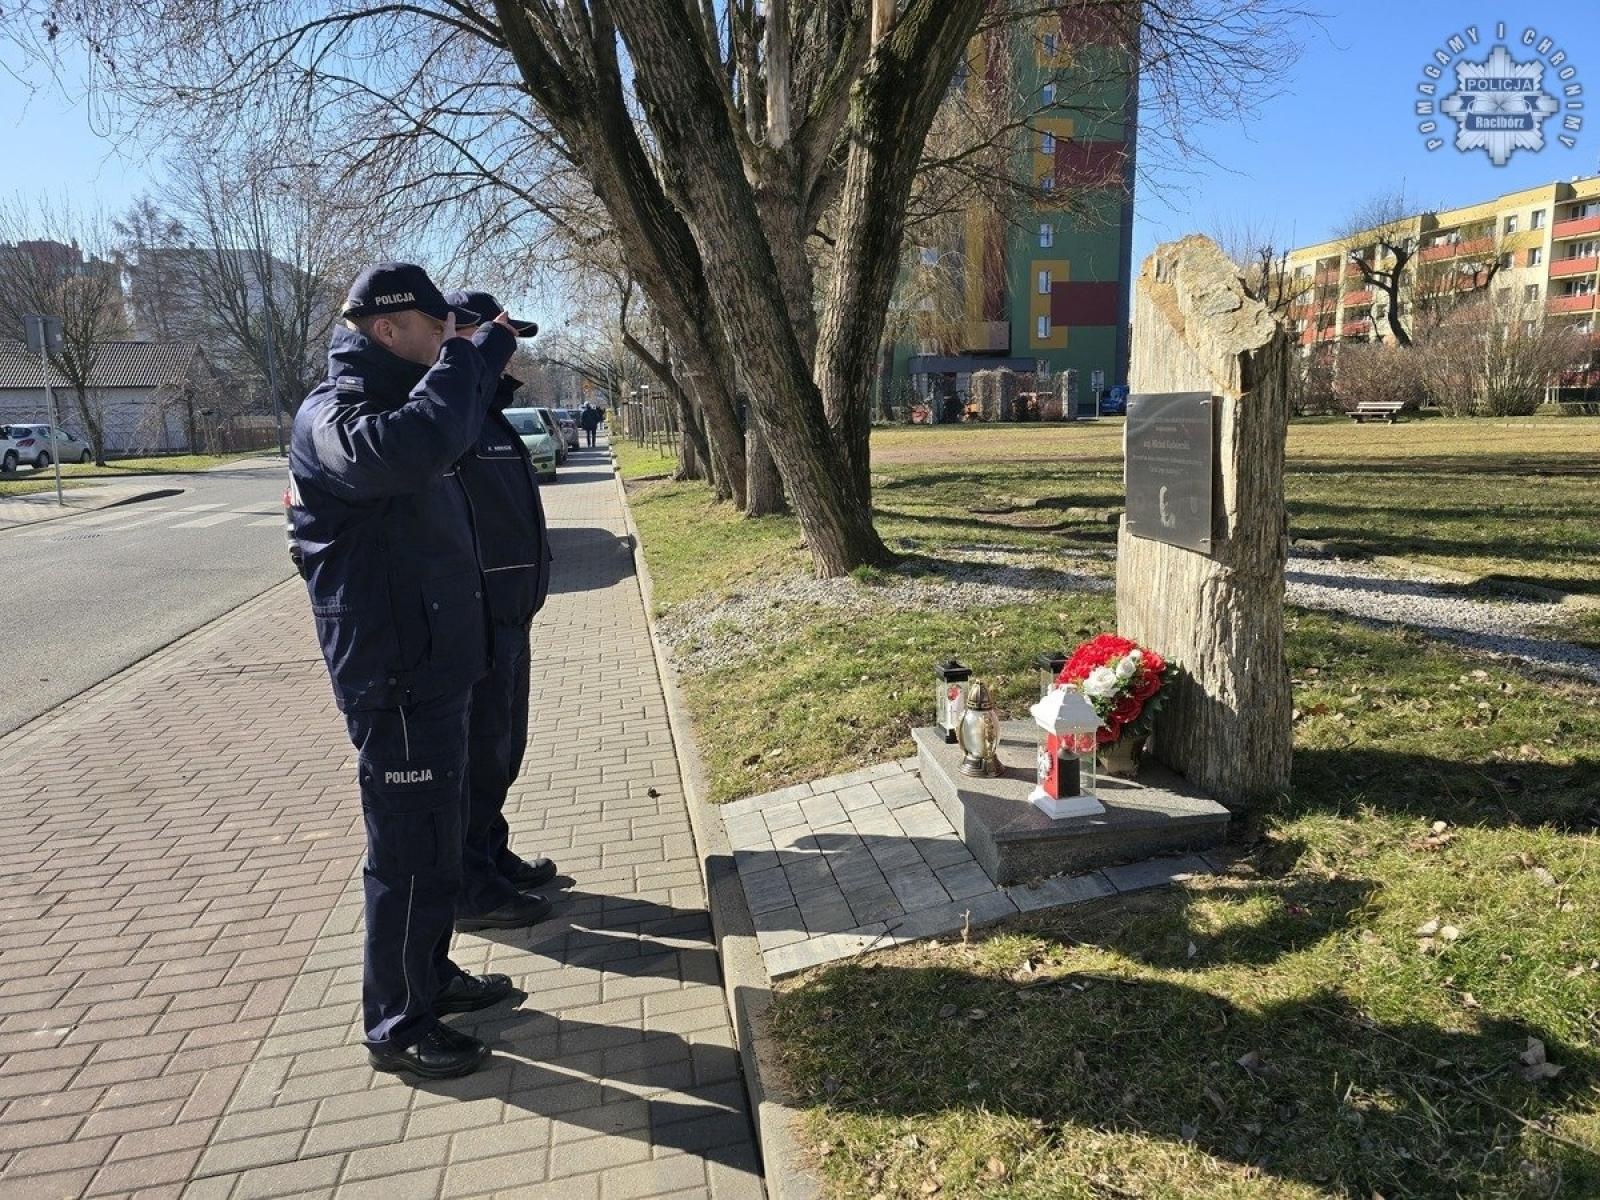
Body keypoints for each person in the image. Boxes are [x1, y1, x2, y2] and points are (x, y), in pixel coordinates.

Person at [286, 263, 519, 1081]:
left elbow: (443, 438)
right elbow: (407, 450)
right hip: (395, 675)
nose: (450, 340)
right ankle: (396, 1023)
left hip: (434, 665)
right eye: (437, 328)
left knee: (438, 845)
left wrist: (470, 359)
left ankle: (432, 977)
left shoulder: (407, 398)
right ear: (390, 330)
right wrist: (465, 360)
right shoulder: (336, 415)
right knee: (409, 854)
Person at [442, 289, 560, 932]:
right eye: (496, 338)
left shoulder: (486, 414)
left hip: (512, 615)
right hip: (478, 621)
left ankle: (489, 853)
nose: (508, 354)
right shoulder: (453, 414)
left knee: (501, 751)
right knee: (479, 756)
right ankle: (470, 886)